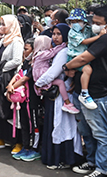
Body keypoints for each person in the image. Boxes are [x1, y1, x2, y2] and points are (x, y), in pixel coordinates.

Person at [65, 4, 107, 177]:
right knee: (86, 130)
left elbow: (83, 58)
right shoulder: (94, 35)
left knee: (100, 132)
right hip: (84, 91)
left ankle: (103, 169)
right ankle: (92, 161)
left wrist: (67, 66)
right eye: (93, 21)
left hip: (97, 93)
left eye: (98, 23)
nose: (94, 25)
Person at [34, 24, 80, 168]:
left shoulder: (64, 51)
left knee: (61, 126)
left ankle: (62, 159)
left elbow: (53, 73)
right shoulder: (56, 50)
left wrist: (38, 83)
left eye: (59, 34)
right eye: (53, 33)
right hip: (56, 92)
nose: (55, 37)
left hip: (60, 95)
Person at [0, 15, 24, 150]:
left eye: (4, 24)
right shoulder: (3, 40)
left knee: (10, 109)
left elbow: (17, 60)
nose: (1, 26)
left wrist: (1, 67)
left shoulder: (16, 41)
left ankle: (17, 141)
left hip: (10, 78)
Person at [8, 37, 39, 161]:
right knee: (25, 124)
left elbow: (25, 78)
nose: (24, 52)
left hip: (32, 99)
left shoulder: (36, 62)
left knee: (33, 125)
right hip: (23, 100)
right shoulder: (26, 62)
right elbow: (18, 74)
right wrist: (11, 84)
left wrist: (10, 88)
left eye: (26, 49)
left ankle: (34, 149)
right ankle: (26, 147)